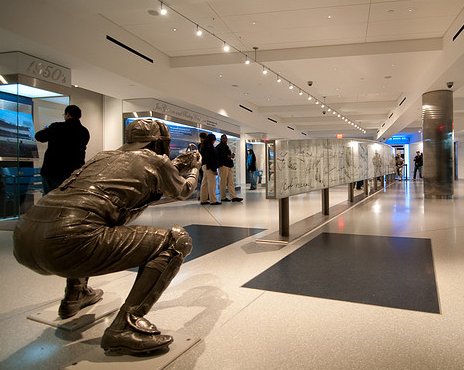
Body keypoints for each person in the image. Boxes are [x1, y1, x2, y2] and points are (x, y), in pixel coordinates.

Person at [13, 119, 201, 355]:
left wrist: (172, 167)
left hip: (25, 238)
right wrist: (194, 168)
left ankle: (75, 294)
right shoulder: (156, 160)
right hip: (68, 243)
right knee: (176, 240)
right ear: (158, 143)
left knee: (94, 220)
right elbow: (182, 190)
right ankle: (125, 326)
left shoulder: (102, 157)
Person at [35, 105, 90, 194]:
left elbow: (39, 137)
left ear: (67, 114)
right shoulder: (84, 131)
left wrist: (44, 130)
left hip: (53, 171)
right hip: (74, 173)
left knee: (49, 201)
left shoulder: (56, 127)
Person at [216, 134, 242, 202]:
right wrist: (228, 157)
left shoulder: (226, 147)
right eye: (224, 138)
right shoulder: (219, 147)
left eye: (226, 138)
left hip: (229, 165)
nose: (225, 139)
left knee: (231, 182)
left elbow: (227, 156)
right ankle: (223, 197)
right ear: (221, 139)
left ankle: (233, 196)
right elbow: (219, 157)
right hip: (223, 165)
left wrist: (231, 156)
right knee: (223, 182)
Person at [199, 133, 220, 205]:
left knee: (204, 183)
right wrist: (214, 169)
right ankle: (213, 200)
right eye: (214, 140)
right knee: (212, 184)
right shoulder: (209, 147)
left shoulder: (203, 146)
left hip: (204, 166)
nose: (214, 142)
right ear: (212, 140)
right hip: (209, 167)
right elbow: (211, 159)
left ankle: (203, 199)